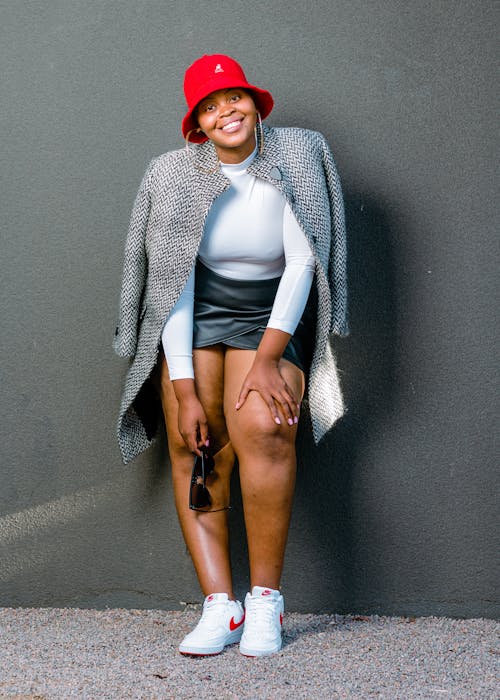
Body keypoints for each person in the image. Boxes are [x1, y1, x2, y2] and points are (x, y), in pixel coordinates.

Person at [113, 54, 348, 657]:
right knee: (197, 439)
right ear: (197, 124)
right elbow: (173, 285)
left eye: (234, 98)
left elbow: (302, 262)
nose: (226, 113)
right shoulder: (173, 175)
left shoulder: (295, 154)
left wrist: (271, 357)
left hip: (272, 309)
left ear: (255, 102)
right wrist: (185, 390)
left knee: (266, 426)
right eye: (210, 107)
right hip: (195, 308)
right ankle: (221, 605)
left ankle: (266, 599)